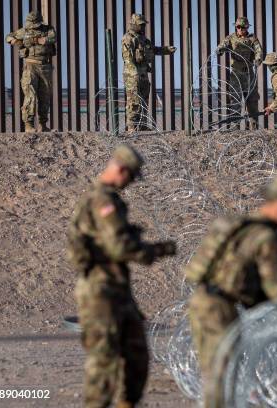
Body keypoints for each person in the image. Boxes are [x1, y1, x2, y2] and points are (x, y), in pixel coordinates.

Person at [67, 144, 176, 408]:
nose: (128, 183)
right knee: (104, 361)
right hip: (100, 289)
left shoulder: (106, 198)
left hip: (115, 287)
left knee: (136, 355)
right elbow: (119, 247)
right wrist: (153, 250)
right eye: (130, 176)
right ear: (120, 169)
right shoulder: (103, 200)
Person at [186, 176, 277, 406]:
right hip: (220, 307)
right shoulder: (266, 237)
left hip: (201, 300)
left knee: (212, 370)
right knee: (224, 373)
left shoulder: (234, 224)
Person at [122, 14, 176, 131]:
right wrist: (134, 73)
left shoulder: (143, 39)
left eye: (143, 25)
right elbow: (127, 58)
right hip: (133, 75)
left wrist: (167, 50)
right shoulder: (128, 38)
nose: (142, 27)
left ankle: (142, 125)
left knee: (144, 99)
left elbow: (153, 49)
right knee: (134, 101)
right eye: (140, 25)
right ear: (134, 24)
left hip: (143, 74)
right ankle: (132, 127)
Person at [5, 11, 56, 133]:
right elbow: (8, 37)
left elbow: (51, 38)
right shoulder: (25, 30)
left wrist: (35, 40)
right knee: (30, 95)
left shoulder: (48, 29)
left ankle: (43, 125)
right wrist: (16, 41)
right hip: (30, 66)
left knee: (44, 96)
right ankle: (29, 125)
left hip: (45, 67)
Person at [216, 16, 263, 130]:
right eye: (239, 27)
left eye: (244, 27)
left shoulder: (252, 39)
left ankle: (253, 126)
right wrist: (220, 49)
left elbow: (259, 51)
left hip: (248, 74)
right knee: (235, 99)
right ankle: (235, 126)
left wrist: (257, 60)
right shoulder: (231, 38)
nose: (241, 29)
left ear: (247, 27)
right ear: (236, 27)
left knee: (251, 100)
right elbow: (222, 46)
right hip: (235, 74)